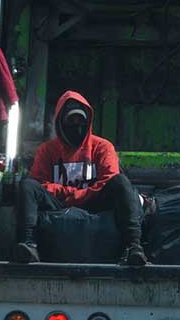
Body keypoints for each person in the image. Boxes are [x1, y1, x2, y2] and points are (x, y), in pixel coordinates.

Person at [14, 90, 147, 266]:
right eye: (71, 121)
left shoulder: (102, 147)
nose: (77, 126)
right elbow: (38, 182)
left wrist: (75, 195)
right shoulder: (47, 150)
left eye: (81, 121)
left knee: (121, 183)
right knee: (27, 186)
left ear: (88, 121)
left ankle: (133, 247)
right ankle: (29, 245)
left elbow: (109, 179)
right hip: (60, 203)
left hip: (93, 202)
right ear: (61, 123)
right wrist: (70, 194)